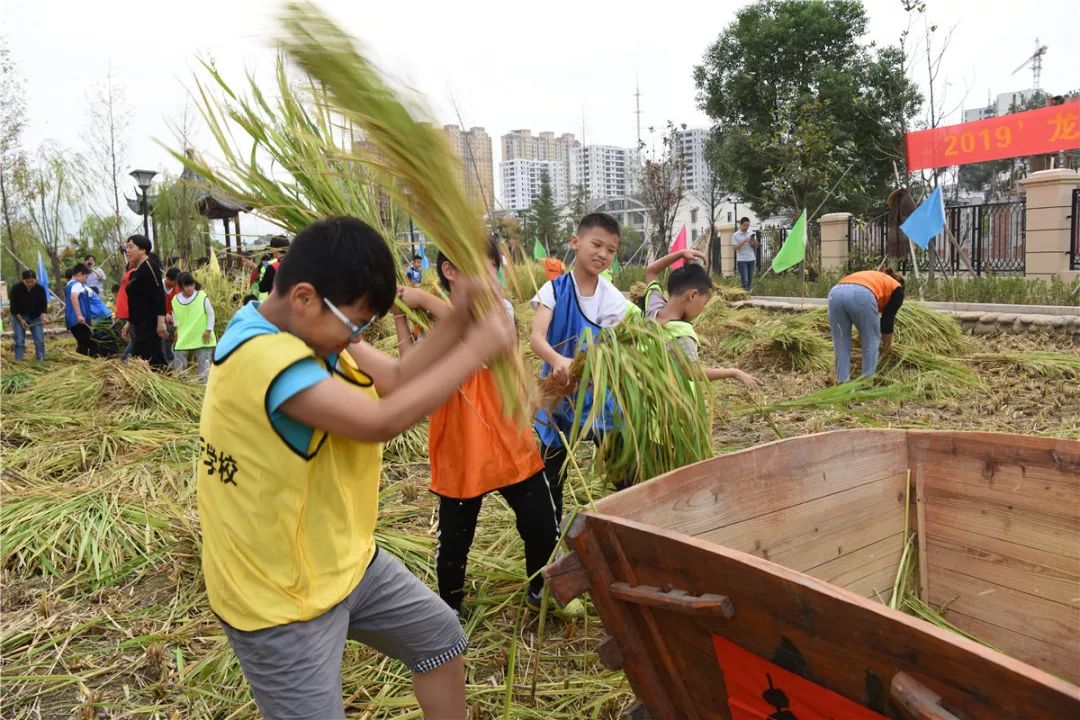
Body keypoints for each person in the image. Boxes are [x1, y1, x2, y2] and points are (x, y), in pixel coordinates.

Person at [197, 216, 516, 720]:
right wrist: (479, 348)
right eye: (356, 326)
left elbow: (395, 376)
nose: (357, 339)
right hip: (277, 597)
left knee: (440, 639)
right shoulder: (263, 355)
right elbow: (380, 420)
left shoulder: (311, 331)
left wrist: (459, 318)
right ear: (303, 297)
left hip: (343, 562)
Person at [393, 244, 559, 615]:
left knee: (542, 526)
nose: (494, 281)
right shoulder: (428, 316)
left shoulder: (499, 311)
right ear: (451, 271)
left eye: (495, 271)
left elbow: (476, 334)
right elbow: (409, 370)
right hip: (460, 443)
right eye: (485, 272)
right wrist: (402, 317)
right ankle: (449, 609)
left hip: (508, 439)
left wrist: (422, 299)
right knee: (454, 542)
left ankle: (540, 590)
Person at [530, 212, 638, 520]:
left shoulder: (613, 299)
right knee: (551, 475)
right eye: (597, 244)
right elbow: (536, 338)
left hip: (598, 398)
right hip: (557, 401)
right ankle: (552, 533)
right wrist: (557, 361)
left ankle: (630, 523)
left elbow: (615, 350)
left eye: (611, 250)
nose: (603, 254)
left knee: (623, 470)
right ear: (576, 242)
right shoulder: (553, 290)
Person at [644, 249, 760, 389]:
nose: (703, 309)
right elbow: (692, 372)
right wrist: (733, 372)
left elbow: (651, 271)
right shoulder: (682, 334)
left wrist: (681, 253)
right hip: (673, 403)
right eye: (704, 303)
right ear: (692, 296)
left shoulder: (653, 307)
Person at [827, 269, 905, 383]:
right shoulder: (897, 288)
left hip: (835, 293)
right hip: (861, 294)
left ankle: (842, 383)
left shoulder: (876, 278)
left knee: (841, 341)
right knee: (871, 341)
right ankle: (866, 385)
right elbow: (886, 322)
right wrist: (887, 349)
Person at [121, 235, 167, 367]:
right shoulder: (137, 270)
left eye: (131, 247)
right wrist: (129, 323)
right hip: (139, 324)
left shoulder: (150, 267)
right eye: (126, 247)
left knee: (152, 359)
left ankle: (162, 383)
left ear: (143, 249)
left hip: (149, 324)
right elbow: (136, 302)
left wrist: (161, 322)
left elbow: (158, 295)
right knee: (143, 359)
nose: (127, 251)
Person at [170, 272, 217, 383]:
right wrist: (176, 329)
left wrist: (209, 330)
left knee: (204, 363)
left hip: (202, 335)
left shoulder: (201, 296)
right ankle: (182, 383)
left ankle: (204, 386)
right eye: (187, 286)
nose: (190, 288)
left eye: (191, 284)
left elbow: (211, 313)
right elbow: (175, 316)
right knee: (179, 358)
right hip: (185, 335)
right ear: (181, 286)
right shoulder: (175, 301)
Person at [9, 269, 48, 361]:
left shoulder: (40, 289)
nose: (30, 284)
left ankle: (41, 360)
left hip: (35, 317)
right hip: (19, 317)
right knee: (19, 341)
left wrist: (44, 317)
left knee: (39, 340)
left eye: (32, 281)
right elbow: (14, 307)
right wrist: (21, 320)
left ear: (35, 280)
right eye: (27, 282)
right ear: (23, 281)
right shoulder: (16, 289)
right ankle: (19, 361)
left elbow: (43, 306)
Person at [65, 263, 98, 356]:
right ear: (79, 274)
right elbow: (74, 297)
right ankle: (86, 361)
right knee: (88, 342)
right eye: (85, 277)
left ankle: (81, 361)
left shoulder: (69, 284)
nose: (85, 279)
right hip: (77, 319)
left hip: (71, 319)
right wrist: (79, 315)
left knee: (83, 342)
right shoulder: (77, 284)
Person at [115, 260, 136, 360]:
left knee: (134, 338)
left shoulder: (127, 274)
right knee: (136, 339)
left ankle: (128, 359)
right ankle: (124, 360)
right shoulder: (133, 273)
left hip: (123, 310)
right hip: (128, 310)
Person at [257, 235, 290, 300]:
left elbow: (262, 288)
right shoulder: (297, 263)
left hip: (277, 304)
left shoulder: (273, 267)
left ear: (274, 249)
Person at [732, 217, 758, 291]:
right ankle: (745, 292)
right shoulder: (735, 235)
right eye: (745, 225)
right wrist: (743, 242)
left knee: (750, 278)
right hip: (742, 260)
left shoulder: (750, 232)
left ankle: (747, 292)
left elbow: (756, 246)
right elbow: (735, 248)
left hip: (751, 258)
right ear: (741, 225)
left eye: (748, 225)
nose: (747, 227)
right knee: (745, 278)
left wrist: (753, 240)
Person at [162, 267, 181, 364]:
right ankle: (168, 360)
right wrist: (164, 314)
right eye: (174, 282)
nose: (176, 285)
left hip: (173, 318)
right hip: (160, 318)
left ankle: (173, 358)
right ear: (168, 279)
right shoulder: (158, 287)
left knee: (175, 335)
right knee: (166, 335)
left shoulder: (177, 289)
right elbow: (153, 305)